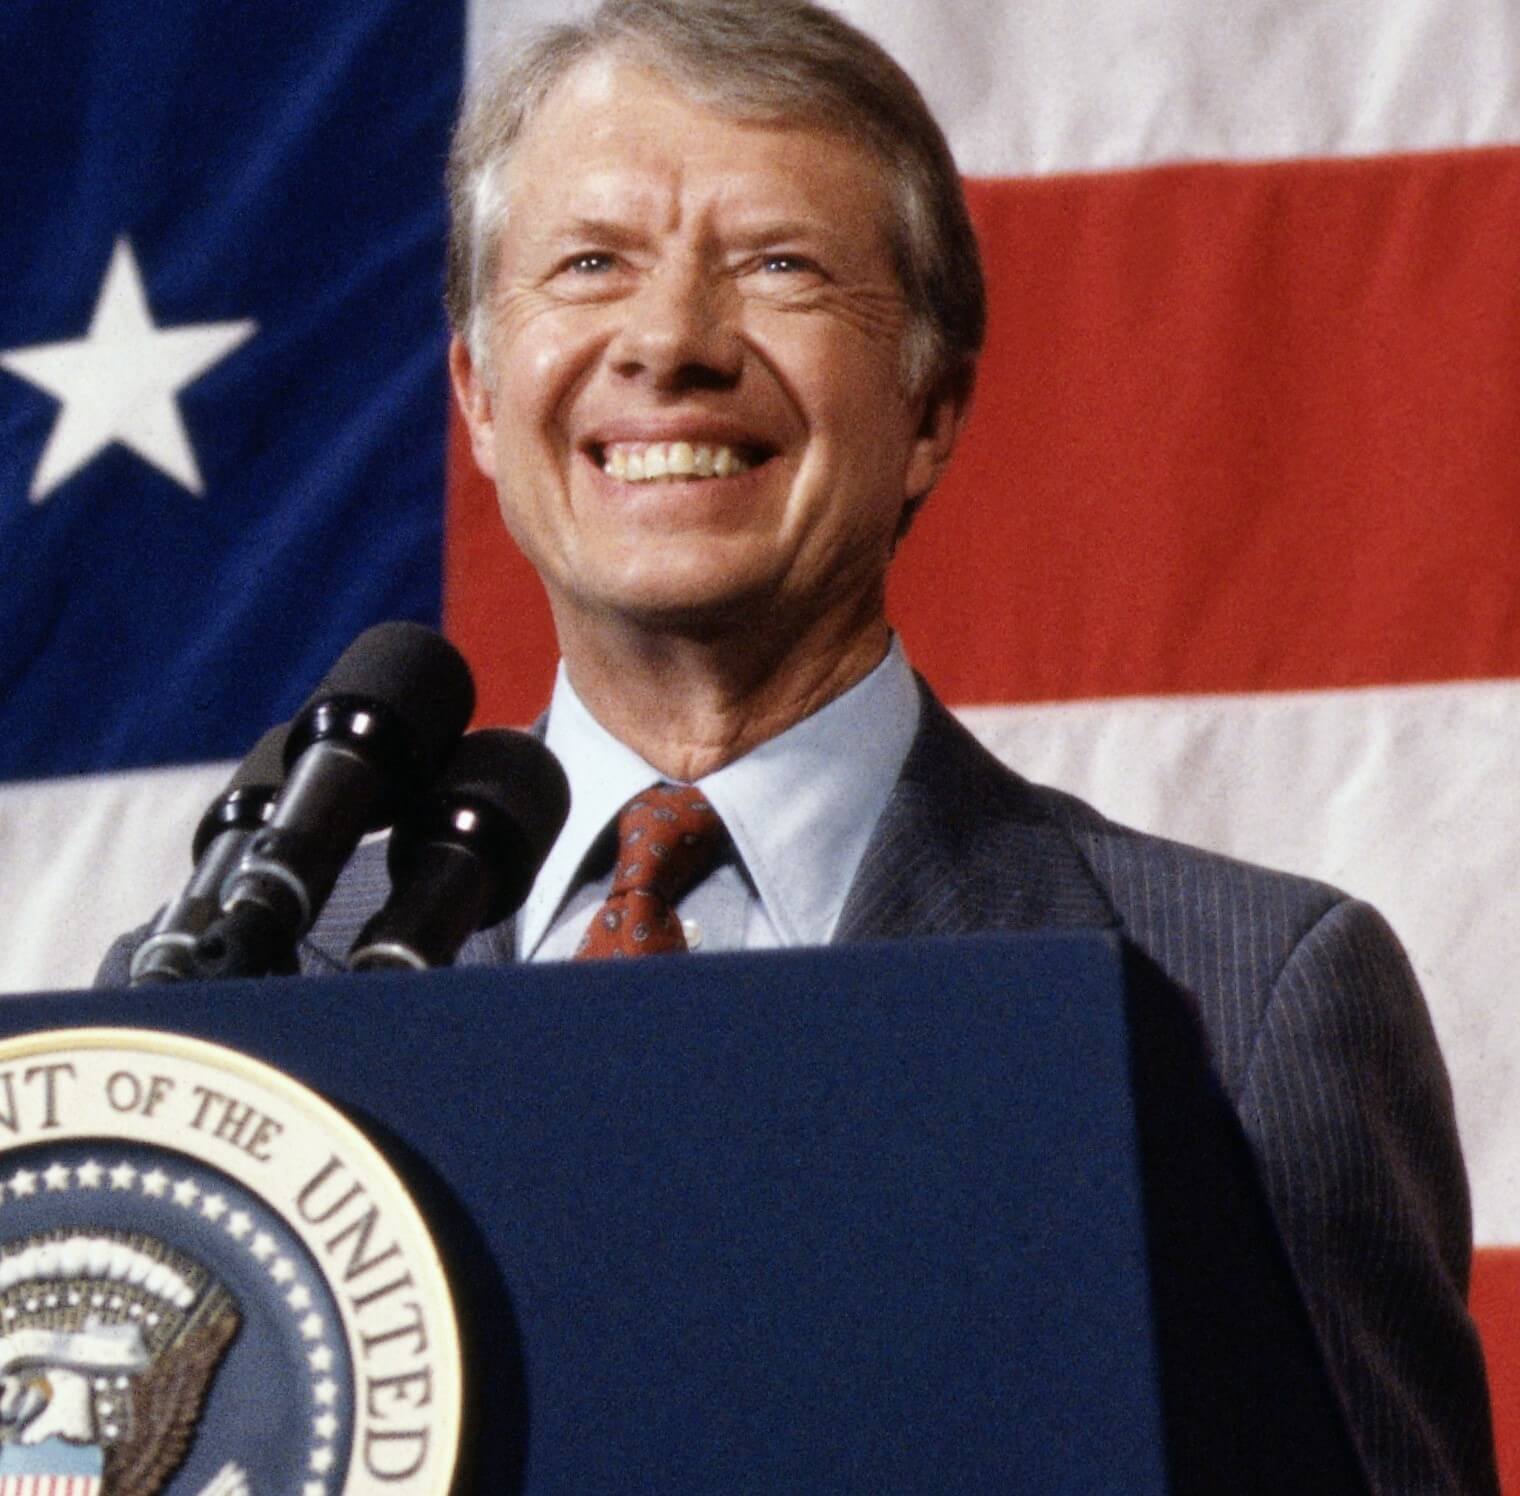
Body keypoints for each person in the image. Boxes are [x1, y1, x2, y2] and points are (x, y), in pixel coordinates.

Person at [100, 0, 1498, 1488]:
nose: (672, 343)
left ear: (930, 409)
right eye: (591, 265)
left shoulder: (1249, 1002)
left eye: (779, 266)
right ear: (480, 399)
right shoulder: (229, 998)